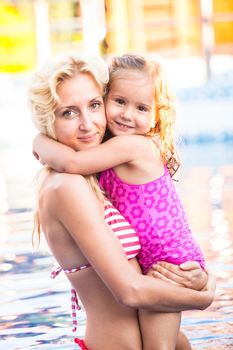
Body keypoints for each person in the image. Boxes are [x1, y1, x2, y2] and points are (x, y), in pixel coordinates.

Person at [30, 53, 215, 350]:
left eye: (93, 105)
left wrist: (202, 277)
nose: (88, 124)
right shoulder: (67, 185)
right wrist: (205, 295)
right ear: (47, 118)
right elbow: (130, 292)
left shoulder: (102, 170)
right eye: (68, 112)